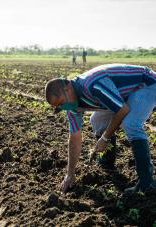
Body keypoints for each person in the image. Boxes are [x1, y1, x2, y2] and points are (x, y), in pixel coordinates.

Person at [45, 63, 156, 193]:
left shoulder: (93, 85)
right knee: (97, 120)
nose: (63, 108)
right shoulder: (72, 106)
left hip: (146, 84)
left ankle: (147, 183)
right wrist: (70, 174)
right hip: (121, 95)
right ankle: (106, 163)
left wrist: (105, 137)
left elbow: (122, 109)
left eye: (61, 103)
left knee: (130, 123)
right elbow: (74, 138)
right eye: (59, 107)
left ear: (68, 88)